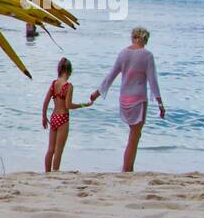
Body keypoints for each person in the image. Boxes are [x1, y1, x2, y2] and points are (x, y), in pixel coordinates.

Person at [90, 26, 164, 172]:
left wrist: (97, 93)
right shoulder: (147, 55)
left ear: (133, 37)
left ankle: (128, 167)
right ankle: (127, 169)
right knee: (134, 137)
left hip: (124, 101)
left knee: (134, 135)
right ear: (144, 39)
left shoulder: (123, 53)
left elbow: (111, 76)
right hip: (138, 100)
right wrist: (160, 103)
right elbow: (153, 81)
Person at [42, 57, 92, 171]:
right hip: (63, 118)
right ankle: (55, 172)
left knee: (50, 149)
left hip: (54, 117)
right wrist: (83, 105)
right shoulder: (68, 86)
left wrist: (44, 117)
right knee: (59, 150)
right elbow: (68, 105)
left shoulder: (54, 84)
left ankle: (46, 172)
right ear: (68, 72)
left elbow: (45, 102)